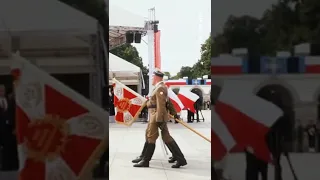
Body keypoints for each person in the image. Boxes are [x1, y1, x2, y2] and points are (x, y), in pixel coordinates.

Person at [132, 69, 187, 168]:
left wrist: (159, 118)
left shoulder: (160, 88)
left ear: (157, 77)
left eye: (153, 77)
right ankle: (179, 158)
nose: (152, 79)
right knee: (165, 137)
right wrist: (174, 114)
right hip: (157, 114)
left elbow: (162, 105)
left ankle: (145, 160)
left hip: (156, 115)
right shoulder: (160, 87)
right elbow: (168, 103)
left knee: (150, 137)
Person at [266, 95, 292, 180]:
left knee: (276, 160)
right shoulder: (282, 113)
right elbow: (288, 128)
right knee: (276, 161)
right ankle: (278, 177)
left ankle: (277, 177)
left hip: (276, 139)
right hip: (277, 139)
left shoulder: (274, 113)